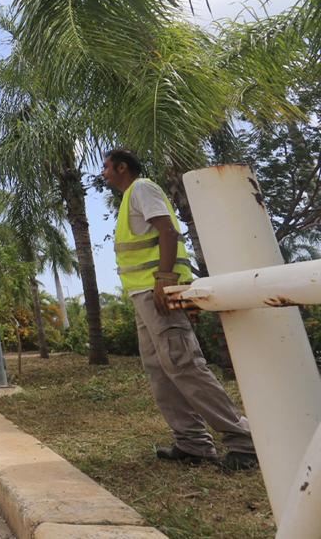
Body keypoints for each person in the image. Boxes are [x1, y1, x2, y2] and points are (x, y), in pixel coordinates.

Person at [101, 148, 258, 471]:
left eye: (106, 167)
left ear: (121, 167)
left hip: (158, 292)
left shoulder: (142, 188)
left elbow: (168, 231)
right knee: (160, 369)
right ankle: (193, 443)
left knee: (182, 363)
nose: (103, 173)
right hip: (144, 295)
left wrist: (165, 278)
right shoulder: (130, 196)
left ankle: (245, 442)